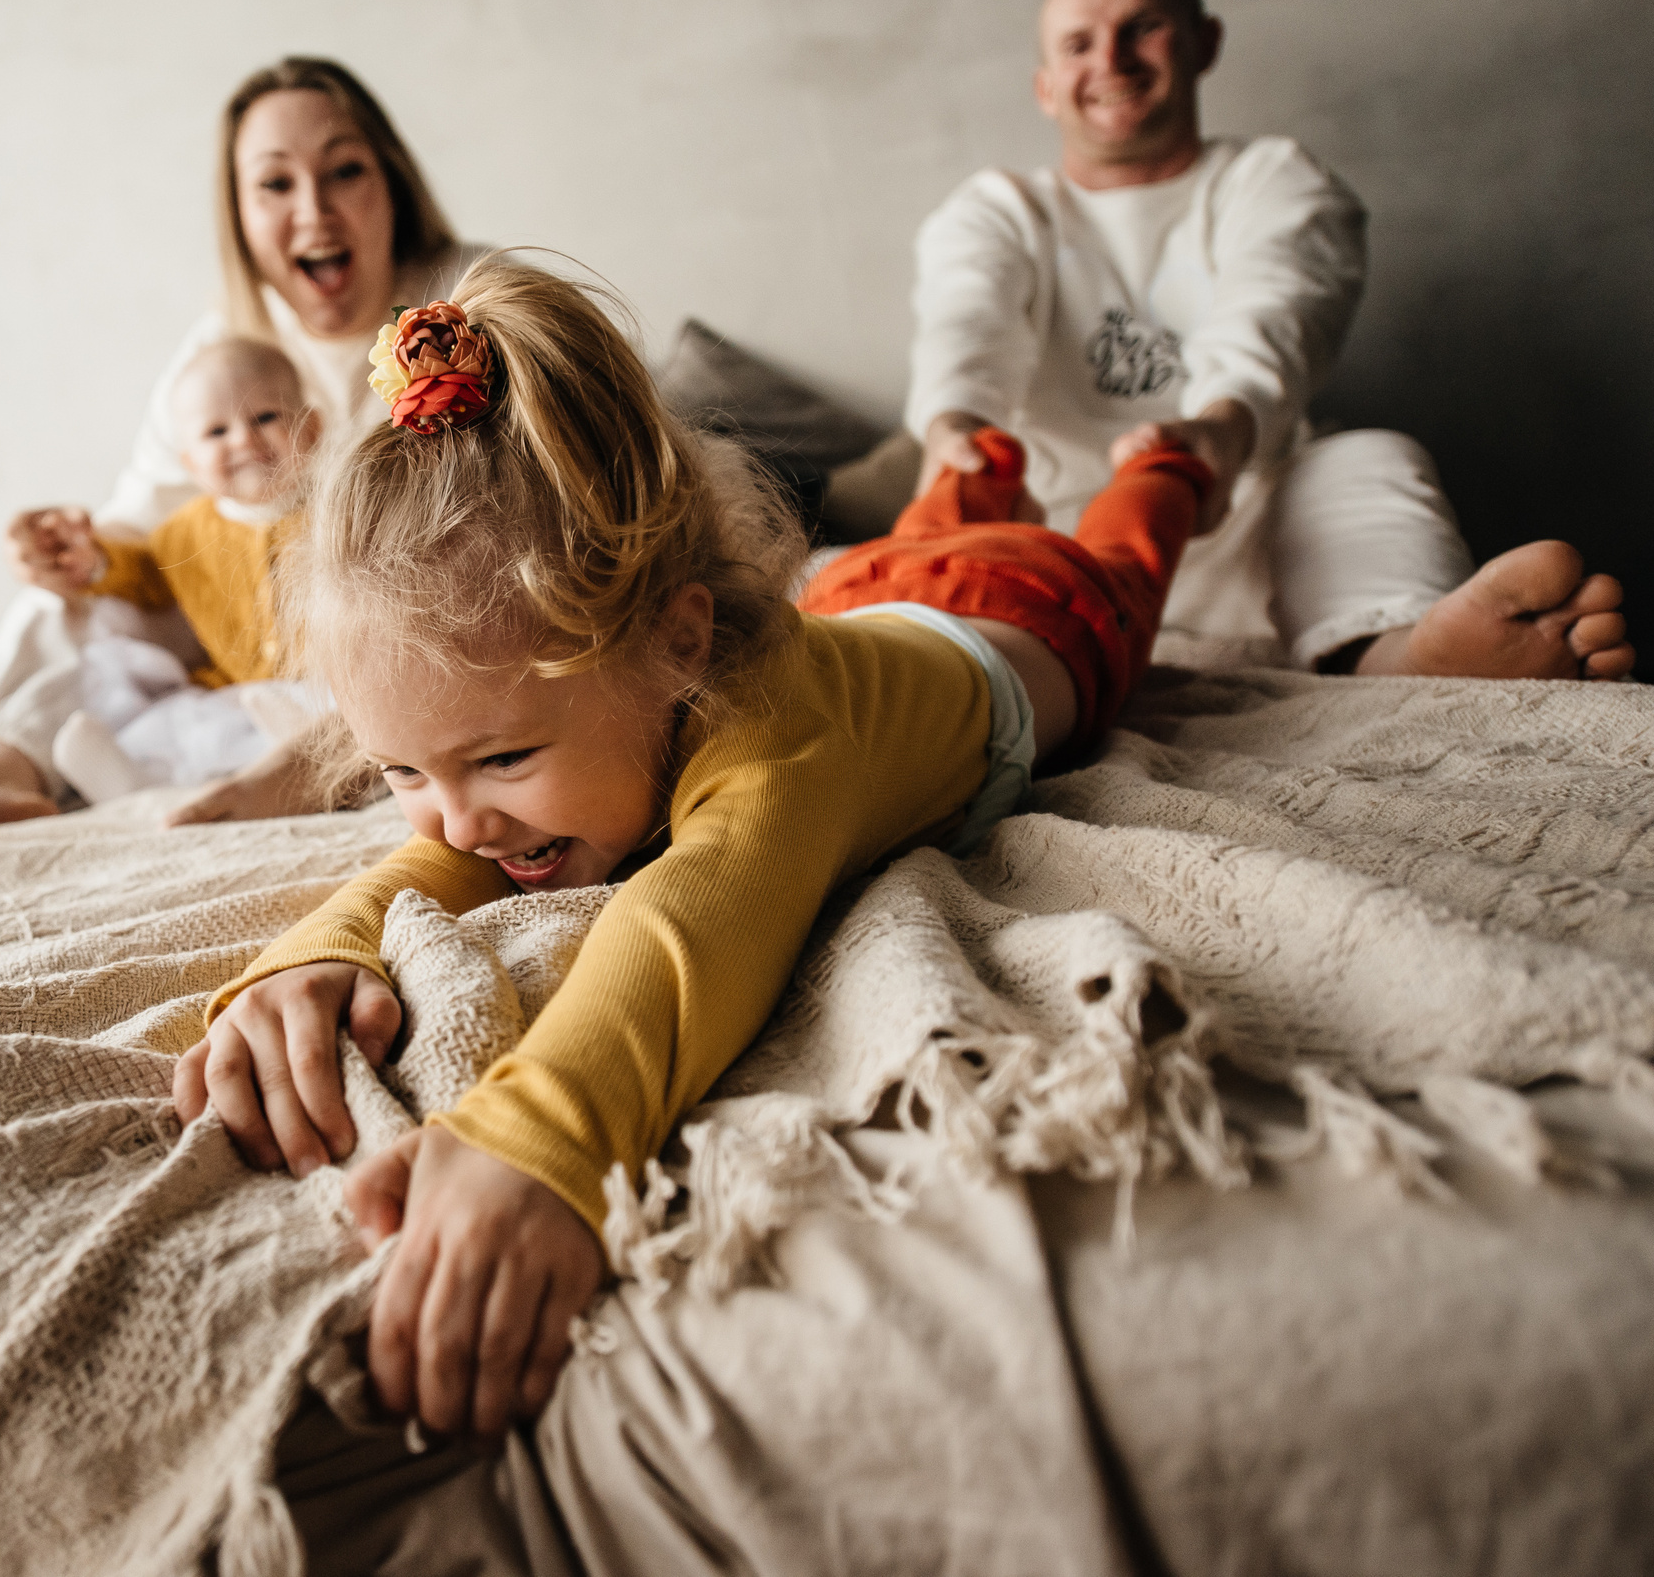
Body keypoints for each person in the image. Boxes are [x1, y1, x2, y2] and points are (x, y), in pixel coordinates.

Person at [172, 258, 1215, 1439]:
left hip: (1035, 609)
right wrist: (323, 947)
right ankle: (973, 470)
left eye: (501, 759)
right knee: (937, 512)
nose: (454, 821)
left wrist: (540, 1140)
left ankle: (1163, 469)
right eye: (404, 772)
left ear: (680, 644)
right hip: (859, 589)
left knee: (1128, 550)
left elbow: (695, 913)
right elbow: (470, 851)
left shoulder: (779, 740)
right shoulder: (604, 703)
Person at [908, 0, 1632, 680]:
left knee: (1370, 457)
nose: (1112, 60)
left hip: (1247, 530)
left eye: (1142, 27)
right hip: (1055, 541)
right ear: (1045, 86)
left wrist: (1217, 435)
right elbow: (967, 329)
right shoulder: (996, 210)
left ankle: (1399, 652)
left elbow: (1276, 317)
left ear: (1204, 42)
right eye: (1078, 44)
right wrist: (953, 429)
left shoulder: (1274, 180)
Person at [0, 58, 483, 842]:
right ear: (240, 213)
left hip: (414, 629)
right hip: (262, 647)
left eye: (344, 172)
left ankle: (303, 770)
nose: (314, 211)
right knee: (75, 600)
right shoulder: (225, 349)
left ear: (393, 184)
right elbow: (145, 522)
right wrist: (68, 551)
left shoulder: (473, 298)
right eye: (275, 184)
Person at [9, 336, 327, 803]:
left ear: (312, 429)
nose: (243, 439)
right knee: (183, 720)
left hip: (329, 684)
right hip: (241, 696)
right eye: (216, 432)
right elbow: (143, 577)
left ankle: (300, 766)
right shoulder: (184, 533)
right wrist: (94, 561)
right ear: (190, 464)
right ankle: (139, 780)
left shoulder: (339, 505)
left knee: (352, 712)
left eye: (265, 417)